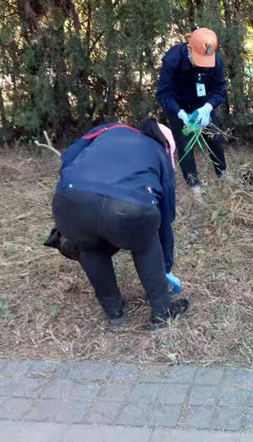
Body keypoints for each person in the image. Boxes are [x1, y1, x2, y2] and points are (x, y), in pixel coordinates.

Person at [52, 118, 189, 330]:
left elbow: (68, 157)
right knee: (145, 242)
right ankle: (162, 312)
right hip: (128, 208)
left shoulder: (111, 129)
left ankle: (114, 312)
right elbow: (165, 217)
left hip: (69, 203)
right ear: (166, 145)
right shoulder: (159, 152)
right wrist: (166, 265)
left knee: (90, 246)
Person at [156, 26, 228, 193]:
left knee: (215, 139)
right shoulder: (172, 59)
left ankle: (223, 174)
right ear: (189, 48)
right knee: (185, 145)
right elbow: (164, 94)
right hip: (179, 108)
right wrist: (180, 113)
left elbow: (220, 89)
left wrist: (207, 108)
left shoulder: (215, 60)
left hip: (202, 107)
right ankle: (194, 185)